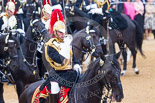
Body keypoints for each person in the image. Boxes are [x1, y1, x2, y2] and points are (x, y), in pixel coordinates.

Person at [39, 9, 82, 103]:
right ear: (55, 32)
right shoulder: (50, 45)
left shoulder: (67, 41)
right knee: (54, 87)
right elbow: (59, 60)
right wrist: (66, 46)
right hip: (57, 73)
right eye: (60, 32)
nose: (63, 34)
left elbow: (73, 57)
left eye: (64, 32)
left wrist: (76, 64)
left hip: (70, 72)